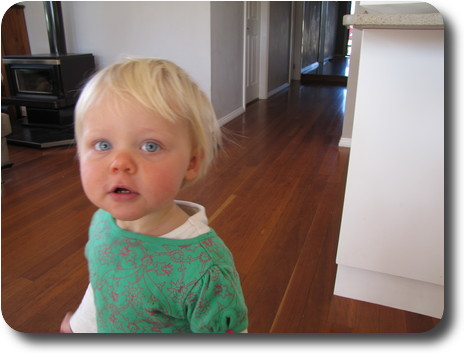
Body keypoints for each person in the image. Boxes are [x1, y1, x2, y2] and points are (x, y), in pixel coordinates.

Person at [60, 58, 248, 333]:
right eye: (103, 144)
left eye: (150, 146)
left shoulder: (205, 271)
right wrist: (80, 326)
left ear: (191, 163)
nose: (120, 162)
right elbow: (105, 286)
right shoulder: (102, 222)